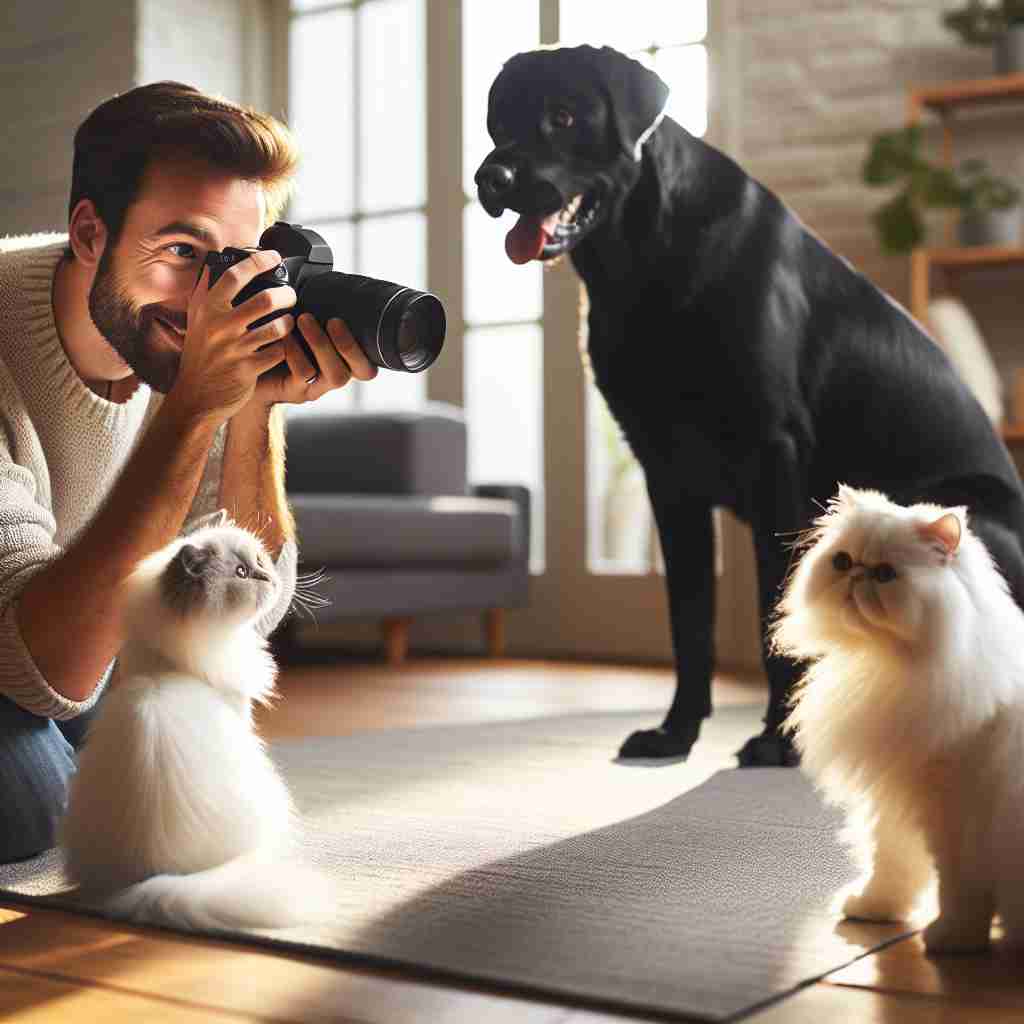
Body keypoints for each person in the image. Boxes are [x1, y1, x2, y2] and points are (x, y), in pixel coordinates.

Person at [0, 81, 378, 861]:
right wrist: (192, 406)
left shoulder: (185, 342)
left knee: (184, 740)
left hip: (46, 634)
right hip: (28, 644)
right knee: (33, 807)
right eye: (181, 253)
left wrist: (250, 410)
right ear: (89, 233)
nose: (210, 299)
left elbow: (242, 613)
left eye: (234, 262)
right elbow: (46, 673)